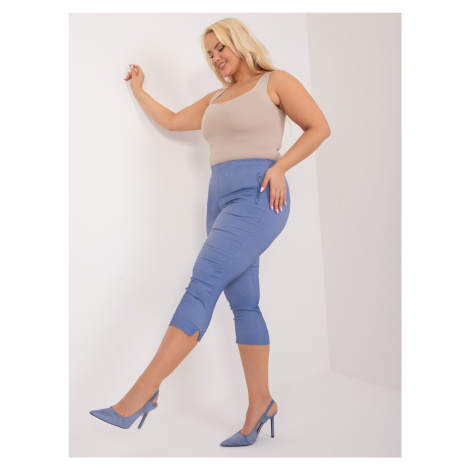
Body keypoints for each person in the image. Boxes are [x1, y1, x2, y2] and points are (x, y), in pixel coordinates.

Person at [90, 17, 331, 446]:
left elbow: (319, 127)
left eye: (221, 47)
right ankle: (262, 404)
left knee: (201, 285)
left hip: (259, 195)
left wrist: (280, 167)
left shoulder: (275, 81)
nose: (216, 57)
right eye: (209, 53)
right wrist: (140, 90)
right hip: (219, 201)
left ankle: (141, 394)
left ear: (240, 42)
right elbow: (172, 120)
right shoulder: (216, 98)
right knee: (244, 303)